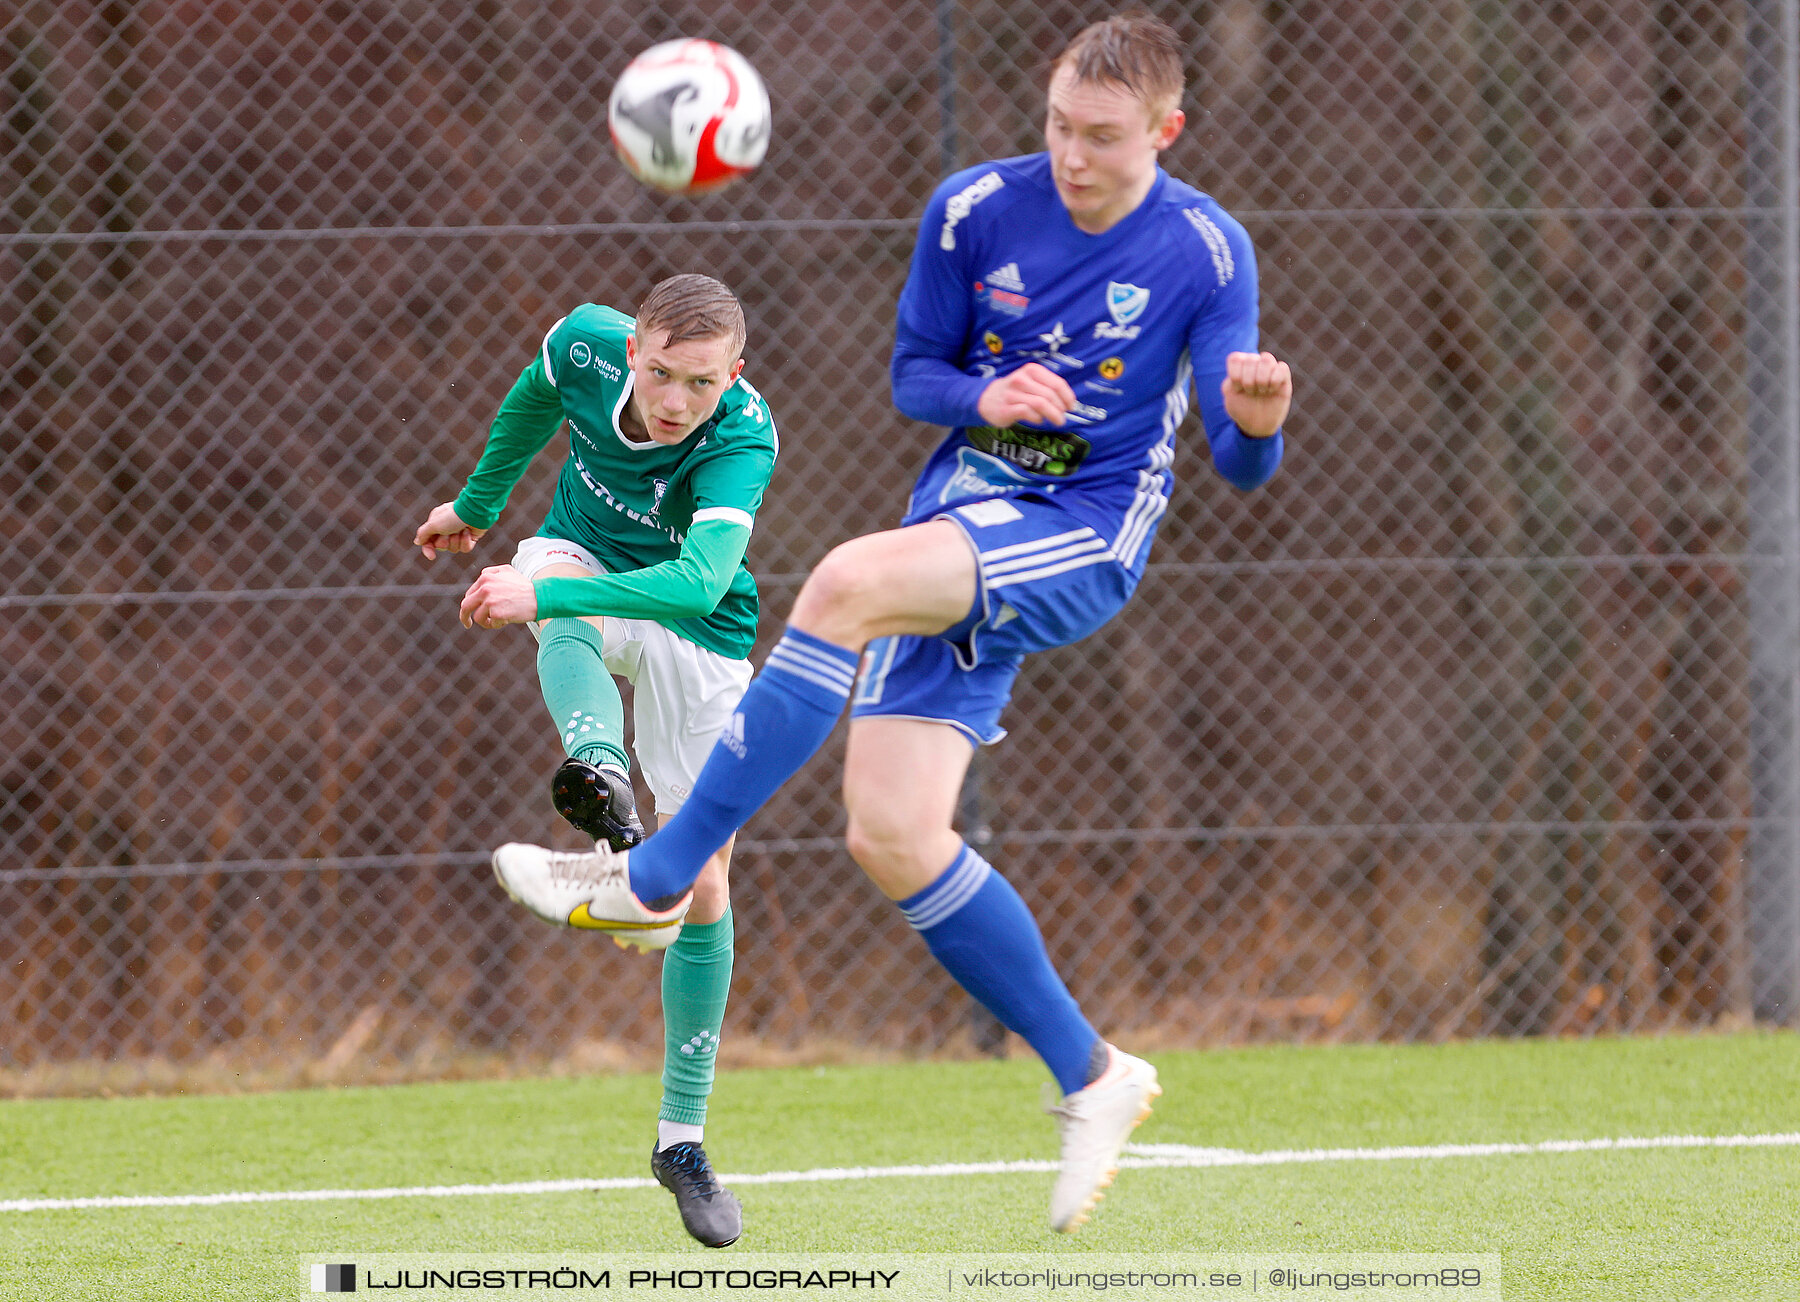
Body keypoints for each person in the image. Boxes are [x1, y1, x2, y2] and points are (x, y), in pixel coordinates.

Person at [493, 12, 1293, 1233]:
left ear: (1166, 131)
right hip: (965, 515)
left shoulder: (1206, 249)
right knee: (893, 835)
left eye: (1103, 137)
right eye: (1058, 126)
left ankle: (654, 875)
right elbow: (916, 375)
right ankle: (1095, 1077)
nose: (1071, 154)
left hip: (1082, 527)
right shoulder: (975, 210)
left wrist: (1259, 415)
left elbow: (1238, 465)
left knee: (841, 584)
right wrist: (987, 391)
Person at [414, 273, 779, 1249]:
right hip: (581, 567)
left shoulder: (744, 433)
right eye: (660, 373)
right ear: (631, 353)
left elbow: (702, 582)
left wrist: (545, 601)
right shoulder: (583, 342)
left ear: (731, 374)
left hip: (700, 632)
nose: (673, 401)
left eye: (699, 383)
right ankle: (606, 788)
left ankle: (680, 1143)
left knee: (706, 885)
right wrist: (478, 505)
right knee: (550, 573)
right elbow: (535, 396)